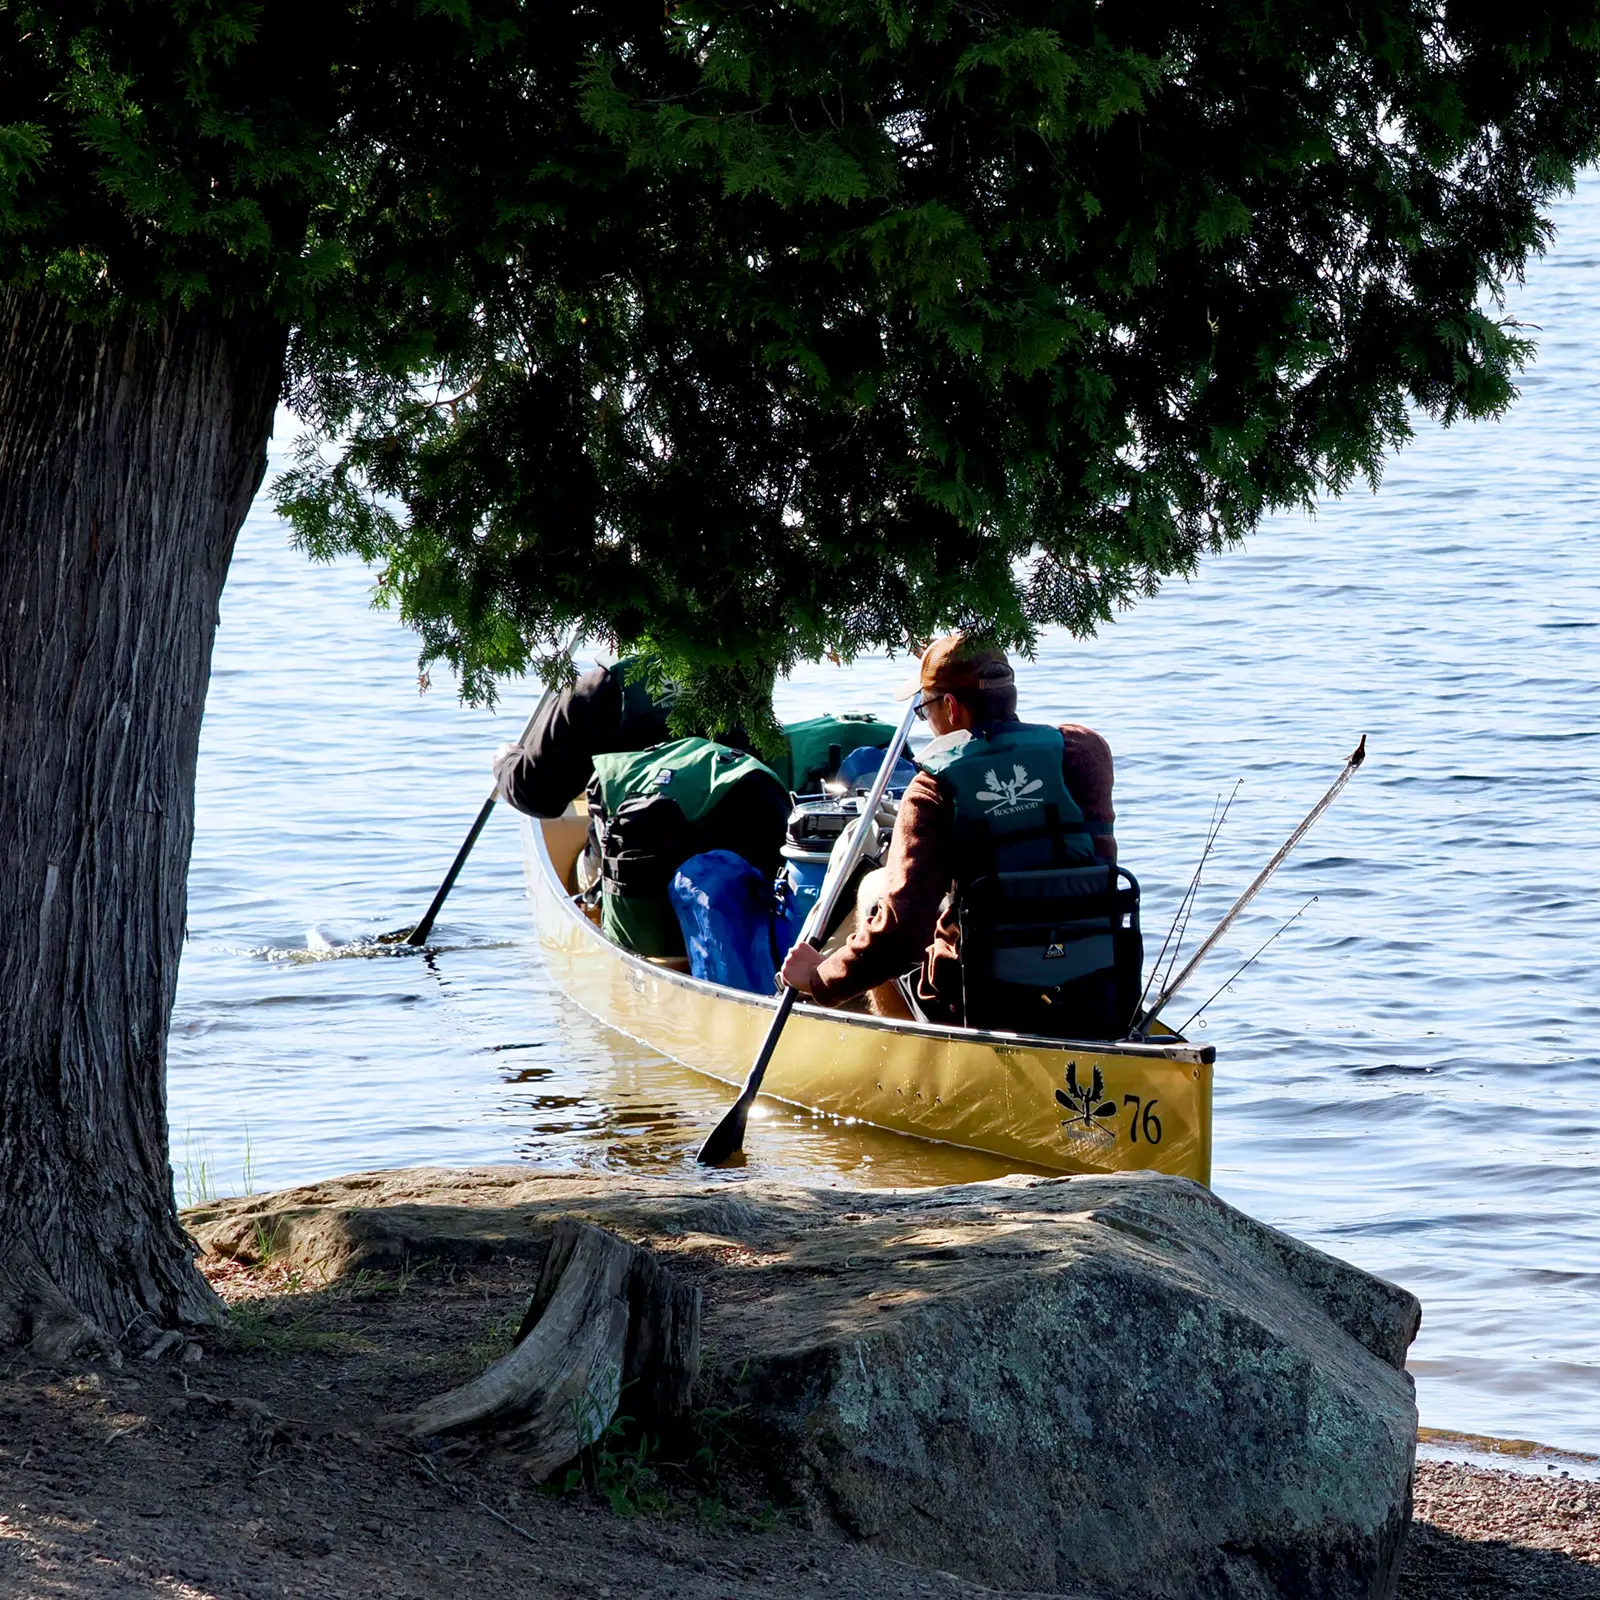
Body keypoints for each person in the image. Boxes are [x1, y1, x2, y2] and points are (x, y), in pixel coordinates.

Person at [780, 633, 1118, 1026]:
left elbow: (902, 936)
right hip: (1092, 972)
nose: (927, 721)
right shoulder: (1085, 752)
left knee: (874, 891)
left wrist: (820, 977)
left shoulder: (932, 787)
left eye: (925, 711)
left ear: (952, 708)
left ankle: (907, 1067)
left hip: (982, 990)